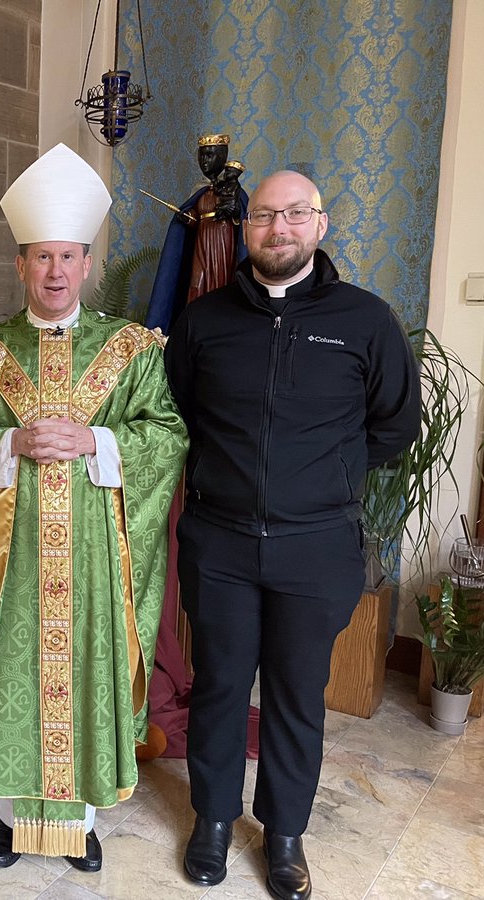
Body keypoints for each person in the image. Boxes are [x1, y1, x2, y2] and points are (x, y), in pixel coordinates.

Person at [165, 170, 420, 900]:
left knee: (297, 692)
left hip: (316, 546)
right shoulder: (204, 321)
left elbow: (395, 427)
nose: (279, 228)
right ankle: (212, 821)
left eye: (295, 214)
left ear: (321, 224)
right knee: (217, 687)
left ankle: (284, 835)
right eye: (266, 216)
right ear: (247, 230)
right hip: (219, 540)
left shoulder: (366, 320)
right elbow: (178, 413)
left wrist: (322, 477)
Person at [0, 144, 188, 872]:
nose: (54, 272)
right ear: (20, 265)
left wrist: (96, 439)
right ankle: (7, 815)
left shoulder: (131, 349)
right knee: (10, 674)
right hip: (9, 564)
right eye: (40, 258)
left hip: (94, 566)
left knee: (85, 673)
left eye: (68, 258)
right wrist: (10, 441)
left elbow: (165, 435)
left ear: (85, 263)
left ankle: (77, 818)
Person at [146, 134, 249, 334]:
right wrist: (187, 219)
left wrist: (234, 212)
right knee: (196, 284)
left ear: (222, 157)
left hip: (222, 246)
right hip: (201, 247)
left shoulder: (233, 190)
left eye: (210, 156)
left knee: (218, 286)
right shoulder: (200, 191)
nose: (204, 161)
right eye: (201, 156)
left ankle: (215, 327)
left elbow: (244, 219)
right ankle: (194, 328)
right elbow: (194, 220)